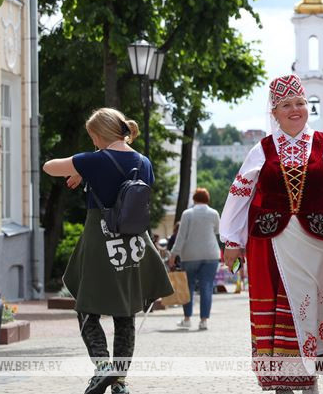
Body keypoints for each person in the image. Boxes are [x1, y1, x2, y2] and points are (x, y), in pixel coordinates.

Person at [219, 75, 323, 393]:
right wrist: (231, 239)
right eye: (286, 105)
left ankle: (311, 380)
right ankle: (283, 383)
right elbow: (241, 193)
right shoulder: (262, 149)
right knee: (279, 309)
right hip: (274, 243)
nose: (295, 110)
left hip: (320, 241)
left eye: (300, 103)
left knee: (316, 307)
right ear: (274, 112)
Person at [42, 108, 173, 394]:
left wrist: (81, 168)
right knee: (125, 314)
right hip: (134, 246)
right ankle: (120, 382)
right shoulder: (144, 162)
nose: (93, 142)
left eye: (93, 137)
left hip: (101, 243)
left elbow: (49, 167)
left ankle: (103, 367)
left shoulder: (95, 160)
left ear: (99, 134)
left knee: (86, 308)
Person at [169, 188, 221, 331]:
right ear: (207, 199)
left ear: (194, 199)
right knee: (207, 286)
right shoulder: (214, 213)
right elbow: (218, 231)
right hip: (211, 254)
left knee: (188, 287)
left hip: (190, 255)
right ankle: (203, 321)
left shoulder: (187, 214)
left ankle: (187, 319)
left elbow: (181, 236)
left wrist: (173, 254)